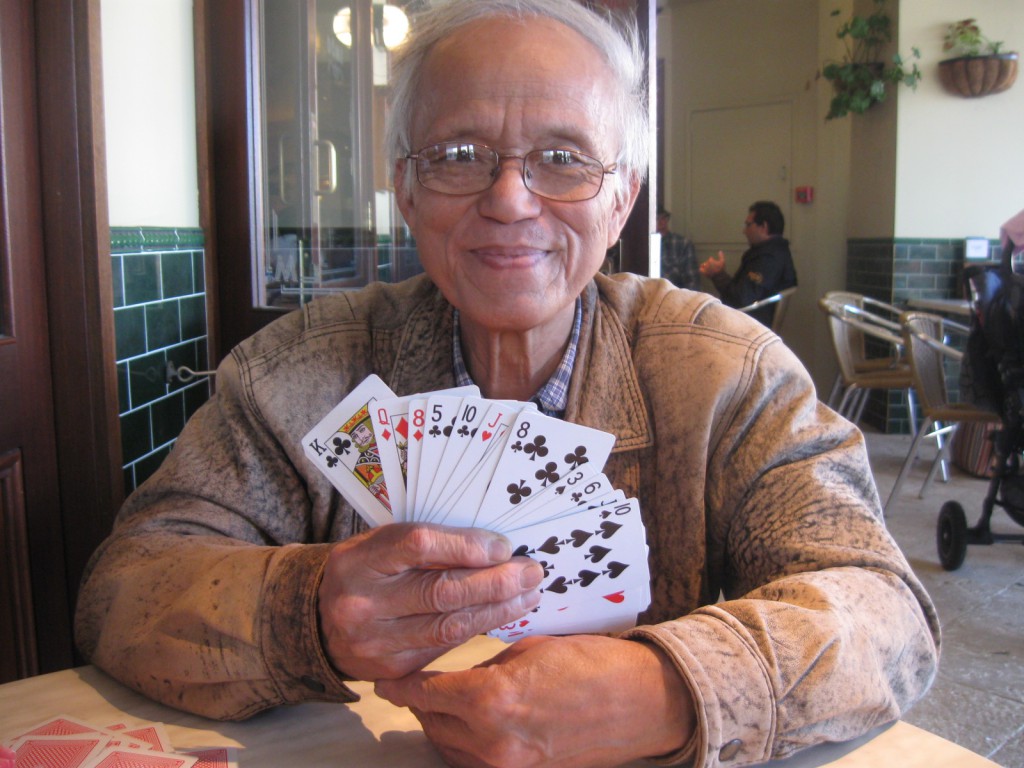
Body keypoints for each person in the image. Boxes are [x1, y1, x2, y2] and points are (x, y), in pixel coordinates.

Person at [75, 2, 939, 767]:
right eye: (459, 155)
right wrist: (308, 609)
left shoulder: (726, 374)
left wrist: (666, 689)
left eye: (563, 158)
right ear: (406, 190)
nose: (512, 199)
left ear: (621, 200)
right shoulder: (292, 376)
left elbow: (882, 612)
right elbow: (124, 590)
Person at [700, 200, 797, 326]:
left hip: (748, 325)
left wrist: (718, 275)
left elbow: (740, 301)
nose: (744, 231)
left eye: (748, 225)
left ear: (763, 227)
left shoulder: (768, 259)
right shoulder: (774, 252)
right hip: (750, 321)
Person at [657, 207, 700, 290]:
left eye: (664, 218)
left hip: (676, 298)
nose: (662, 223)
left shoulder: (682, 244)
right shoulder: (641, 246)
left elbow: (693, 284)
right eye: (657, 219)